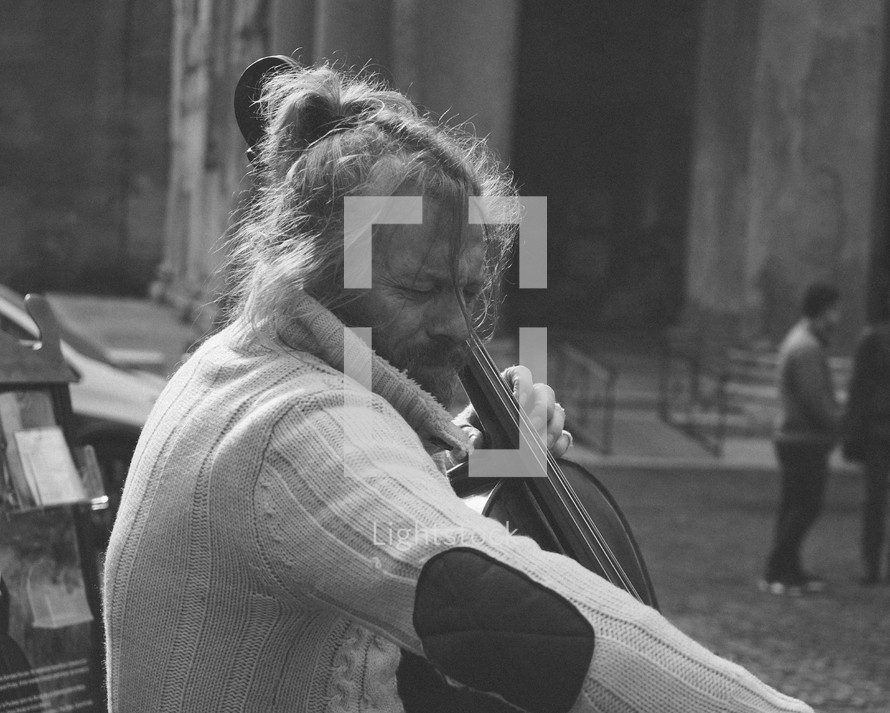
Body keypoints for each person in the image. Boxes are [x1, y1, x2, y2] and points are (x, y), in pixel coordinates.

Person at [103, 58, 813, 713]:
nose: (458, 327)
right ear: (312, 269)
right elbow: (508, 609)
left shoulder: (240, 365)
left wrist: (466, 457)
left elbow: (352, 523)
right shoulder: (298, 427)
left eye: (470, 291)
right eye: (420, 287)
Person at [761, 282, 841, 596]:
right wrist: (839, 425)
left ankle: (789, 569)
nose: (839, 316)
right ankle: (777, 569)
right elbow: (814, 400)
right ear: (824, 310)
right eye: (835, 309)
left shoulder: (803, 340)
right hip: (802, 438)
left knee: (795, 505)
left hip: (796, 437)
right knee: (805, 506)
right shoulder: (807, 346)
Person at [841, 309, 890, 585]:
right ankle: (870, 563)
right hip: (879, 430)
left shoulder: (873, 337)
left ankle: (870, 564)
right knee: (875, 501)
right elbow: (860, 387)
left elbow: (858, 388)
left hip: (877, 429)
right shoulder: (874, 338)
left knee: (874, 501)